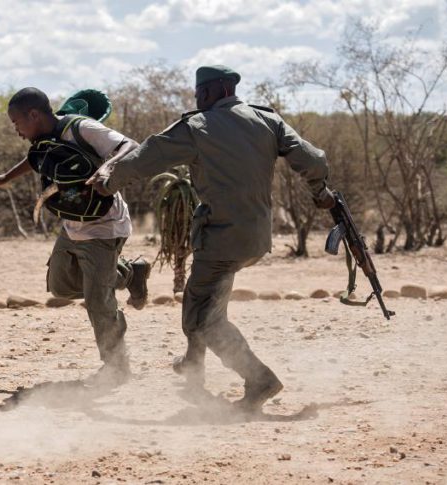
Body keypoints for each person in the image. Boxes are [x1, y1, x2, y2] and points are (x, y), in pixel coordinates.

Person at [88, 65, 335, 412]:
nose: (197, 99)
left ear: (212, 91)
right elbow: (312, 158)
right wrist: (319, 187)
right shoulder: (267, 120)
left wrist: (109, 181)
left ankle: (259, 379)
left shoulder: (198, 126)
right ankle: (192, 367)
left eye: (199, 93)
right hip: (257, 237)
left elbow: (149, 154)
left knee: (201, 320)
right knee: (202, 299)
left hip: (220, 237)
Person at [0, 87, 151, 385]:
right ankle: (130, 274)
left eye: (17, 122)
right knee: (61, 285)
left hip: (104, 225)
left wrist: (106, 169)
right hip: (74, 224)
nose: (16, 130)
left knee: (97, 300)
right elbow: (37, 158)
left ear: (34, 114)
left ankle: (116, 367)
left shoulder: (81, 127)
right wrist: (5, 178)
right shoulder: (42, 137)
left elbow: (130, 146)